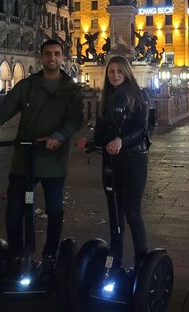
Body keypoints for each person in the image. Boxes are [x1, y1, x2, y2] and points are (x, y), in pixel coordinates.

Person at [0, 39, 83, 279]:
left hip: (53, 161)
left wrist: (60, 135)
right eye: (47, 54)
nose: (52, 58)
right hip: (25, 160)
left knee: (55, 210)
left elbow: (75, 118)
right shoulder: (27, 86)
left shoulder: (72, 90)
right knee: (14, 210)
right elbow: (2, 113)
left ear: (63, 58)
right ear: (41, 57)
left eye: (56, 54)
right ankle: (16, 253)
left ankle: (50, 256)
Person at [76, 55, 152, 270]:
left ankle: (141, 260)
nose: (115, 75)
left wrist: (122, 140)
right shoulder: (105, 100)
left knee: (132, 212)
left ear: (127, 73)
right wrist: (89, 142)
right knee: (114, 212)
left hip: (134, 159)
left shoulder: (139, 96)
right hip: (111, 162)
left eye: (120, 71)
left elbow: (143, 130)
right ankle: (115, 257)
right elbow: (101, 133)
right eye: (111, 72)